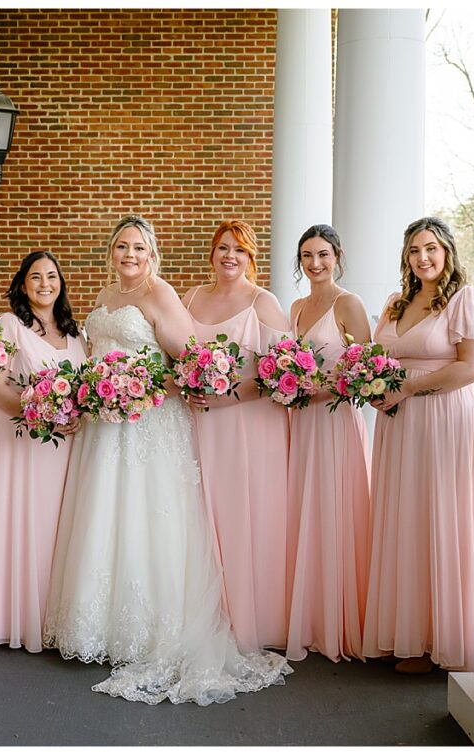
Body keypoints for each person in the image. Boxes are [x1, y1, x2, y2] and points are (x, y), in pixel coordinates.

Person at [43, 215, 291, 705]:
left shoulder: (162, 296)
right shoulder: (106, 297)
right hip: (104, 429)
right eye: (121, 247)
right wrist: (97, 391)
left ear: (151, 254)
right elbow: (96, 352)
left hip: (148, 424)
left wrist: (139, 391)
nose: (129, 255)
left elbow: (190, 364)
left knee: (145, 516)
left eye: (138, 248)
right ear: (111, 253)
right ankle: (100, 626)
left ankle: (149, 629)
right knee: (103, 514)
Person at [362, 216, 474, 673]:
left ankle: (438, 640)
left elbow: (471, 368)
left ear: (447, 252)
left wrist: (406, 389)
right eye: (415, 250)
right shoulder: (397, 302)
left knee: (439, 515)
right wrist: (373, 383)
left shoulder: (467, 301)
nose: (423, 258)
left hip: (444, 416)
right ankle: (405, 632)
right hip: (399, 422)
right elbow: (376, 355)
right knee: (403, 516)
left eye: (431, 249)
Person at [0, 251, 88, 652]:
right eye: (36, 277)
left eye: (52, 276)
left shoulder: (76, 333)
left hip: (63, 445)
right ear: (22, 283)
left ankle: (52, 615)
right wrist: (41, 414)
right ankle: (14, 616)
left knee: (54, 526)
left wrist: (75, 416)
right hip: (18, 440)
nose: (45, 284)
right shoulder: (8, 325)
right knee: (22, 521)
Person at [181, 220, 292, 652]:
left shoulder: (263, 302)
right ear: (212, 253)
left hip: (248, 423)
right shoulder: (191, 297)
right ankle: (207, 612)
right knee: (203, 512)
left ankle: (251, 617)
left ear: (251, 258)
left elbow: (287, 374)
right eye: (223, 248)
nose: (230, 256)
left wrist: (230, 396)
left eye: (239, 250)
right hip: (199, 422)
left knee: (244, 511)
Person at [284, 224, 372, 663]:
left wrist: (320, 387)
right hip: (301, 422)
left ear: (337, 255)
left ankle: (340, 621)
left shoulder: (348, 303)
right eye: (306, 256)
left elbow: (366, 370)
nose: (315, 264)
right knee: (306, 511)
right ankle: (310, 615)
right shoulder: (297, 306)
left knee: (337, 509)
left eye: (322, 255)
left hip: (335, 421)